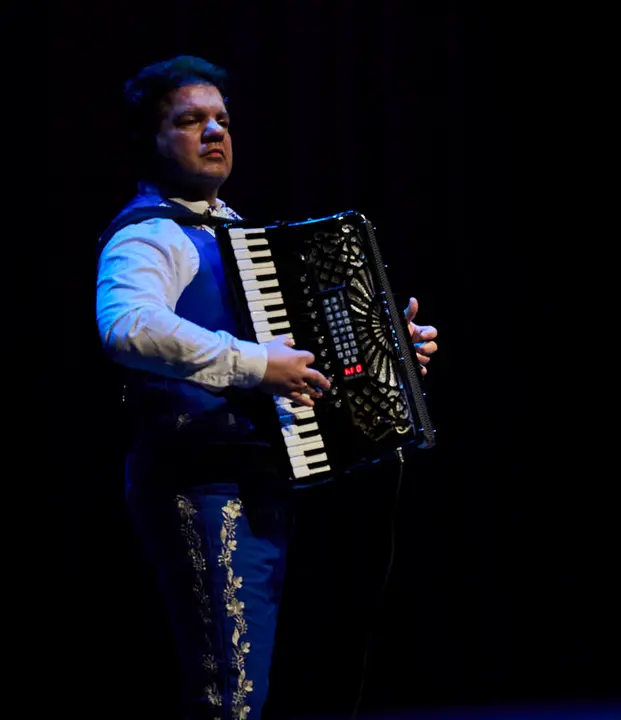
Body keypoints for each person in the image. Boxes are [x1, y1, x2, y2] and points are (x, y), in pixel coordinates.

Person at [94, 55, 439, 720]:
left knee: (248, 686)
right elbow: (128, 327)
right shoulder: (149, 236)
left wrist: (388, 353)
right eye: (189, 120)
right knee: (229, 693)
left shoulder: (229, 227)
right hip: (197, 483)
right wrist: (255, 364)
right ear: (149, 139)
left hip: (256, 482)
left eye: (221, 119)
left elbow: (293, 353)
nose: (214, 132)